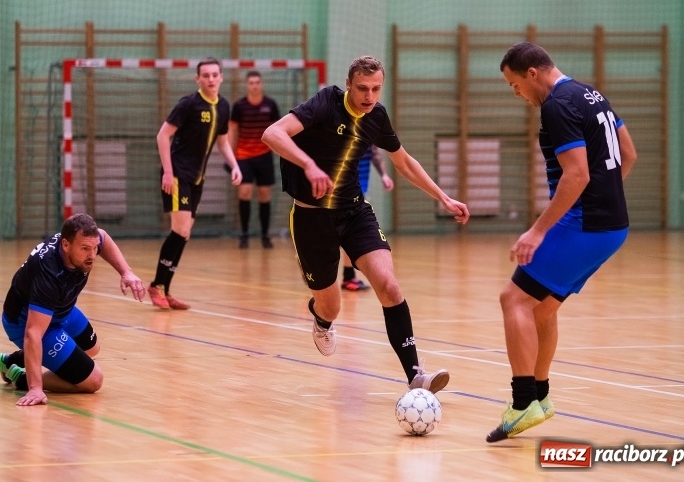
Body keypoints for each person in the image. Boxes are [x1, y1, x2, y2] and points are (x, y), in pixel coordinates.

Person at [261, 55, 470, 393]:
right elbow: (273, 134)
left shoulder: (377, 117)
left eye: (375, 89)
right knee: (332, 305)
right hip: (311, 217)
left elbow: (404, 162)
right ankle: (320, 317)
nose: (369, 97)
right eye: (362, 88)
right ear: (348, 84)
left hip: (355, 212)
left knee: (388, 285)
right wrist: (309, 165)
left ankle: (416, 375)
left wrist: (443, 197)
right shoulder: (325, 104)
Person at [486, 42, 637, 442]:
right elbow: (629, 154)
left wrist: (537, 231)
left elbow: (577, 176)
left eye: (515, 84)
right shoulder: (592, 94)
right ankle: (542, 398)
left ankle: (522, 405)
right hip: (612, 227)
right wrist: (605, 200)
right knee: (541, 308)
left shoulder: (557, 105)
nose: (516, 94)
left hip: (584, 225)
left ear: (532, 73)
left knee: (513, 299)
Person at [0, 213, 146, 406]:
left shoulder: (80, 242)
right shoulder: (49, 273)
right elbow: (33, 332)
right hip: (26, 321)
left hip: (62, 309)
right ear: (65, 245)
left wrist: (126, 272)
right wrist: (36, 388)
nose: (92, 255)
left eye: (94, 248)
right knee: (94, 380)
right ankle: (21, 378)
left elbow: (103, 236)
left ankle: (11, 361)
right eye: (85, 249)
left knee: (91, 349)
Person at [148, 57, 242, 310]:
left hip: (197, 178)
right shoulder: (189, 104)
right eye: (206, 75)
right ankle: (157, 285)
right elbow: (163, 136)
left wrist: (234, 165)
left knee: (185, 232)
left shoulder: (223, 106)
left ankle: (164, 289)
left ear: (221, 77)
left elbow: (222, 142)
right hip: (178, 174)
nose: (211, 79)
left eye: (215, 75)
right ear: (197, 79)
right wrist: (168, 172)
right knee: (180, 230)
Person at [228, 70, 281, 249]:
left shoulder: (270, 105)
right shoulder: (239, 106)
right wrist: (231, 157)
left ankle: (265, 235)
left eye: (257, 82)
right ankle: (244, 234)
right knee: (245, 192)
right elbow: (233, 131)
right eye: (251, 83)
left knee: (265, 195)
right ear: (247, 85)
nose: (254, 85)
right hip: (243, 156)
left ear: (262, 84)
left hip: (264, 156)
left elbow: (277, 131)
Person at [340, 145, 394, 291]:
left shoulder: (368, 126)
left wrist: (383, 174)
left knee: (349, 232)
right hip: (337, 190)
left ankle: (349, 276)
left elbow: (375, 152)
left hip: (359, 188)